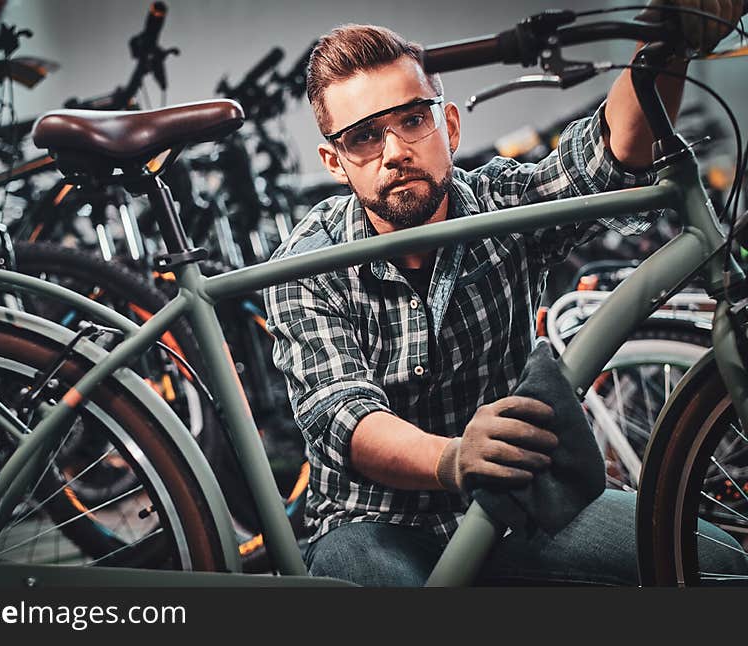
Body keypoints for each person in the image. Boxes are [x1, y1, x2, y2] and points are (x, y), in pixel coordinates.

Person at [262, 1, 748, 586]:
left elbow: (609, 154)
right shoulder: (306, 262)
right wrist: (452, 457)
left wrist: (665, 40)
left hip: (521, 509)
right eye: (364, 137)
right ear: (334, 161)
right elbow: (343, 416)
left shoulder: (499, 208)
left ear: (450, 124)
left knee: (715, 564)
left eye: (413, 120)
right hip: (371, 524)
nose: (394, 152)